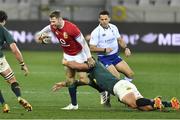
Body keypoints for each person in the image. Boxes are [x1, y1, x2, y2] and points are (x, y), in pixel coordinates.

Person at [35, 10, 103, 110]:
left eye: (53, 21)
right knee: (70, 79)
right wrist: (40, 35)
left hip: (79, 55)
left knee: (84, 79)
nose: (52, 23)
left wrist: (88, 57)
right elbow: (47, 28)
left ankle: (101, 90)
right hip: (68, 55)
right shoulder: (53, 26)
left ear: (59, 19)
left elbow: (83, 43)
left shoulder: (72, 28)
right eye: (51, 21)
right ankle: (74, 105)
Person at [52, 60, 180, 111]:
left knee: (133, 104)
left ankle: (155, 100)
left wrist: (66, 61)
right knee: (144, 108)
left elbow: (79, 67)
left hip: (120, 86)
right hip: (123, 87)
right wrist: (63, 84)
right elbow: (79, 82)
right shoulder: (90, 76)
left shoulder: (94, 65)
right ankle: (169, 103)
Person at [89, 10, 134, 106]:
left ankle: (121, 92)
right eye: (102, 19)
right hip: (104, 58)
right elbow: (91, 48)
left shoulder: (113, 27)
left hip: (115, 56)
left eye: (106, 19)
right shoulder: (96, 32)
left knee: (130, 74)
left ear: (109, 19)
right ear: (99, 20)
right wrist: (104, 50)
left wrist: (126, 48)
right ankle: (118, 96)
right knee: (116, 77)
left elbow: (120, 40)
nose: (104, 21)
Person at [0, 10, 32, 113]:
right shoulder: (3, 30)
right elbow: (14, 49)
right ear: (4, 20)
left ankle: (4, 104)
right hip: (0, 60)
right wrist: (22, 64)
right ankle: (19, 97)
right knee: (12, 80)